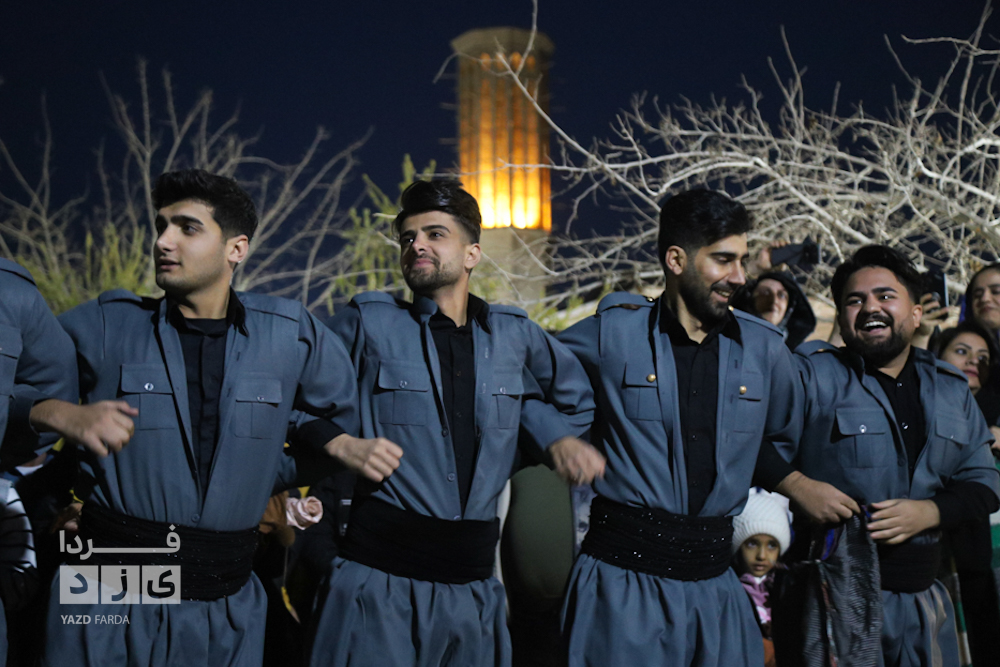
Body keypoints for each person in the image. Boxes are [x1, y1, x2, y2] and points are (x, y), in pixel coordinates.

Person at [42, 169, 363, 667]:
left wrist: (261, 476)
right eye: (161, 225)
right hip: (108, 586)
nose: (163, 241)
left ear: (236, 249)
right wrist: (62, 414)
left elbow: (336, 424)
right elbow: (15, 388)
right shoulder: (107, 324)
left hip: (227, 600)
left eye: (187, 228)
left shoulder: (289, 334)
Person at [309, 180, 600, 667]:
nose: (416, 244)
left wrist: (548, 437)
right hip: (378, 586)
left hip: (473, 595)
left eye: (434, 234)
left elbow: (576, 402)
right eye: (407, 237)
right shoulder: (368, 323)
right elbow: (290, 394)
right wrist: (340, 444)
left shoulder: (515, 336)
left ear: (472, 255)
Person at [556, 189, 851, 667]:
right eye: (723, 260)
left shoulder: (765, 349)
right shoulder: (610, 335)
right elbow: (519, 376)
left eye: (742, 260)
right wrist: (558, 437)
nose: (740, 276)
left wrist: (796, 483)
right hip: (621, 589)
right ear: (676, 259)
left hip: (717, 594)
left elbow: (769, 442)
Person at [792, 245, 1000, 666]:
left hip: (926, 601)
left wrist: (931, 511)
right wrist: (796, 485)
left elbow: (986, 482)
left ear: (916, 313)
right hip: (834, 602)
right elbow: (750, 446)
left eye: (885, 296)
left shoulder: (950, 388)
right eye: (855, 299)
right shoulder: (811, 376)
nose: (871, 307)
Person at [933, 321, 1000, 667]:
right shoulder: (920, 407)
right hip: (936, 563)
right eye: (961, 351)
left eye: (983, 357)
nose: (973, 361)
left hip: (984, 567)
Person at [732, 488, 791, 667]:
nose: (761, 555)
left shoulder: (788, 588)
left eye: (772, 545)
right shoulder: (731, 592)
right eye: (752, 544)